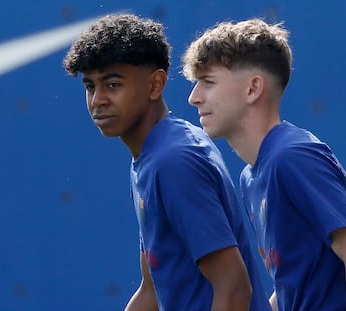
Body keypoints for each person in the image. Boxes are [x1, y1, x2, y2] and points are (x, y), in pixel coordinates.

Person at [63, 14, 271, 311]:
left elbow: (234, 288)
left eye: (112, 84)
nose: (97, 100)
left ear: (155, 84)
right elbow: (150, 292)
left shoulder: (173, 161)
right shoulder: (152, 157)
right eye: (90, 86)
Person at [182, 18, 346, 311]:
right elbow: (292, 284)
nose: (193, 98)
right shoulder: (251, 176)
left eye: (208, 82)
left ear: (253, 88)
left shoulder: (292, 157)